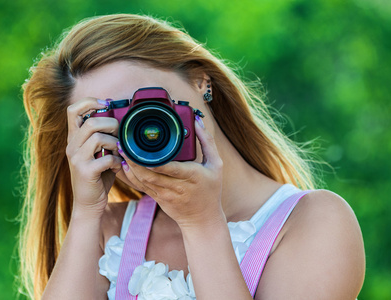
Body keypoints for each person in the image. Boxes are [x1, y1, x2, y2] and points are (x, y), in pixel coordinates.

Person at [19, 14, 365, 299]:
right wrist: (85, 213)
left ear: (201, 81)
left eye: (147, 104)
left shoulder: (315, 223)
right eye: (113, 120)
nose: (141, 128)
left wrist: (201, 223)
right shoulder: (107, 231)